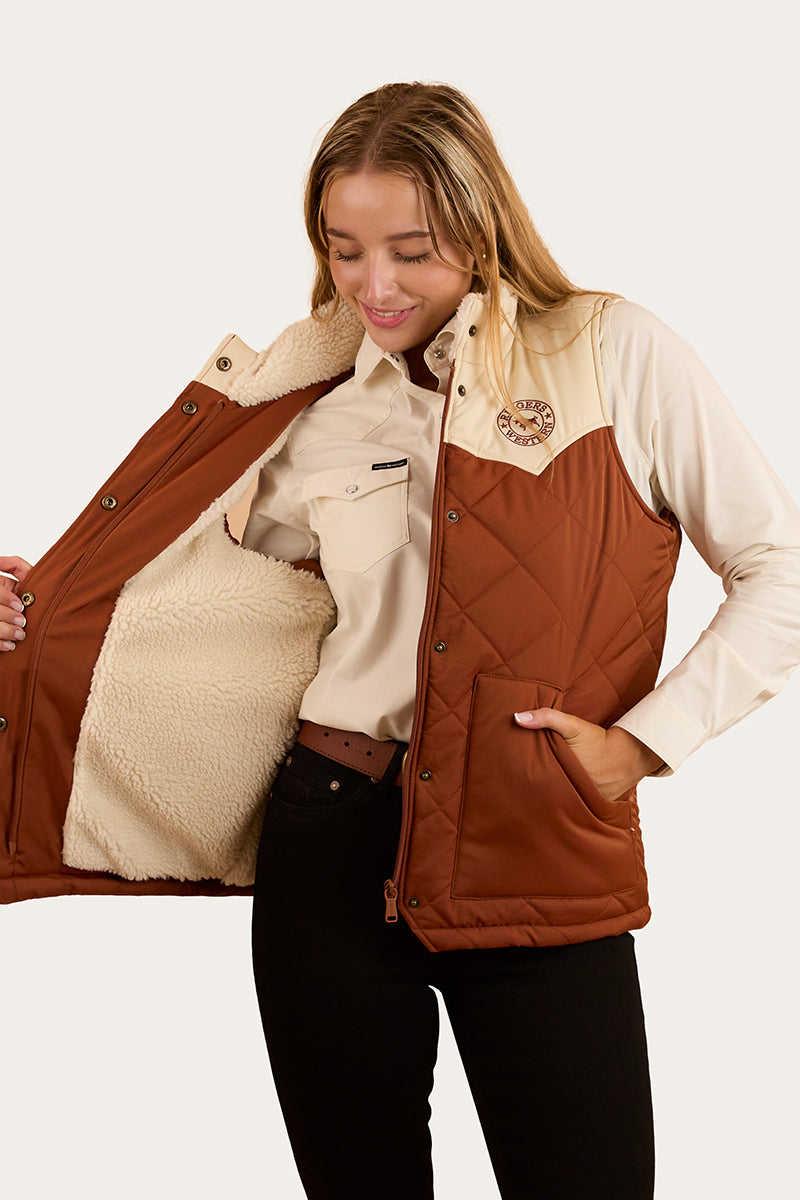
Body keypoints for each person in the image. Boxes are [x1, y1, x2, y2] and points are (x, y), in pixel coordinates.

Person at [1, 81, 799, 1199]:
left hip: (533, 837)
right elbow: (183, 607)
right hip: (326, 842)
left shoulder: (614, 352)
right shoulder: (313, 403)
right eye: (344, 251)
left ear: (482, 227)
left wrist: (642, 744)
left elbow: (779, 570)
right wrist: (32, 612)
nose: (373, 287)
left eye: (411, 252)